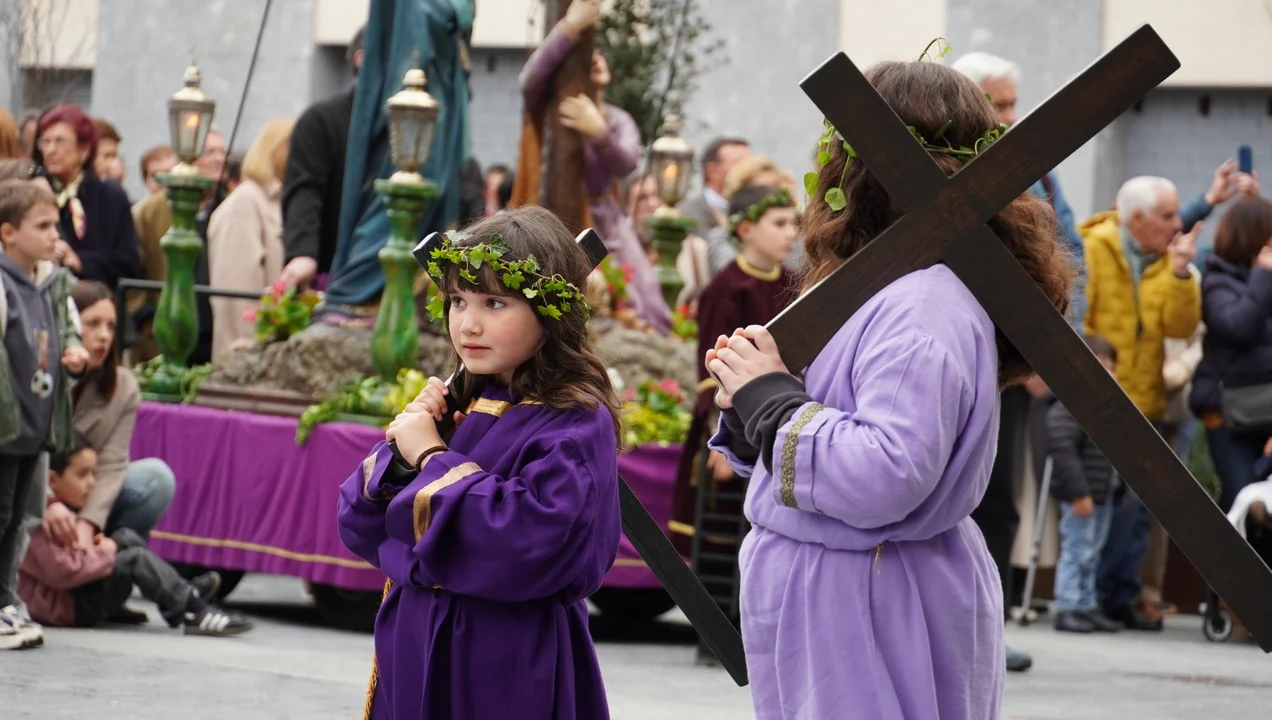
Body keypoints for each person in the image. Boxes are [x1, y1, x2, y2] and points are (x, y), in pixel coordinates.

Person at [703, 60, 1072, 719]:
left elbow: (886, 473)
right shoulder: (880, 283)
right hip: (844, 584)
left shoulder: (921, 305)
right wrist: (753, 394)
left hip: (873, 595)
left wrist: (774, 402)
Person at [337, 207, 622, 719]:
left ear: (550, 313)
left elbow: (525, 541)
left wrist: (430, 456)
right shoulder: (466, 401)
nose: (468, 324)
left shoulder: (574, 421)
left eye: (495, 303)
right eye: (458, 301)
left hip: (501, 655)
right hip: (415, 638)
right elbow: (359, 523)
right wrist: (408, 449)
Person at [1081, 175, 1202, 631]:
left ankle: (1121, 596)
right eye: (1167, 216)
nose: (1177, 225)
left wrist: (1181, 274)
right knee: (1105, 504)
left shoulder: (1166, 259)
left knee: (1137, 509)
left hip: (1147, 403)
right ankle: (1091, 596)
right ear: (1136, 218)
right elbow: (1080, 322)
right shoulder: (1093, 247)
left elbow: (1180, 326)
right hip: (1104, 401)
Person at [517, 0, 672, 333]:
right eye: (588, 57)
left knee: (636, 301)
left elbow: (627, 162)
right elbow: (528, 81)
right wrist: (569, 27)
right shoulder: (551, 111)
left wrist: (599, 132)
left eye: (599, 54)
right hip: (553, 209)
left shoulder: (617, 119)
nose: (595, 58)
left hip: (607, 221)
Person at [17, 435, 250, 635]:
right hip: (64, 607)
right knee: (134, 559)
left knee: (125, 536)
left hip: (72, 593)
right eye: (82, 475)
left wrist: (99, 547)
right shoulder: (37, 520)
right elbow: (62, 572)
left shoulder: (63, 510)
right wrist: (105, 552)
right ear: (52, 480)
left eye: (93, 474)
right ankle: (194, 608)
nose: (92, 483)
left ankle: (181, 591)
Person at [0, 179, 90, 650]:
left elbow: (67, 330)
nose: (55, 235)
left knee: (17, 519)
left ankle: (5, 600)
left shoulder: (52, 283)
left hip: (35, 429)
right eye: (43, 226)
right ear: (8, 233)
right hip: (6, 428)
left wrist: (74, 354)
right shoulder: (4, 284)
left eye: (56, 224)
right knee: (0, 516)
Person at [1190, 196, 1272, 512]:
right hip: (1230, 415)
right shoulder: (1217, 280)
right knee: (1243, 500)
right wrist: (1262, 277)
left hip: (1266, 411)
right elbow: (1239, 327)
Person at [276, 27, 363, 290]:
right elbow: (305, 189)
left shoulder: (418, 124)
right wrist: (302, 252)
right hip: (333, 273)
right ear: (361, 59)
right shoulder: (322, 121)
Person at [1048, 334, 1123, 634]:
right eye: (1103, 366)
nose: (1110, 374)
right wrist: (1079, 492)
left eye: (1113, 367)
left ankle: (1086, 605)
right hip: (1082, 495)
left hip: (1102, 494)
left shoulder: (1107, 407)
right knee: (1077, 549)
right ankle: (1067, 605)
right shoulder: (1073, 404)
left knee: (1092, 553)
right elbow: (1061, 445)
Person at [209, 118, 296, 359]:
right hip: (250, 355)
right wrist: (247, 348)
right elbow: (237, 293)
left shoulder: (282, 202)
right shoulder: (245, 203)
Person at [31, 104, 140, 290]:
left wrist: (80, 261)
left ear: (84, 150)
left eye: (60, 142)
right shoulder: (32, 192)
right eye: (45, 142)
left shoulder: (110, 197)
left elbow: (129, 262)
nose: (50, 150)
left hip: (98, 299)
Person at [678, 137, 751, 232]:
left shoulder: (757, 211)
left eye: (751, 164)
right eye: (740, 164)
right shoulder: (685, 214)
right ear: (712, 172)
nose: (751, 170)